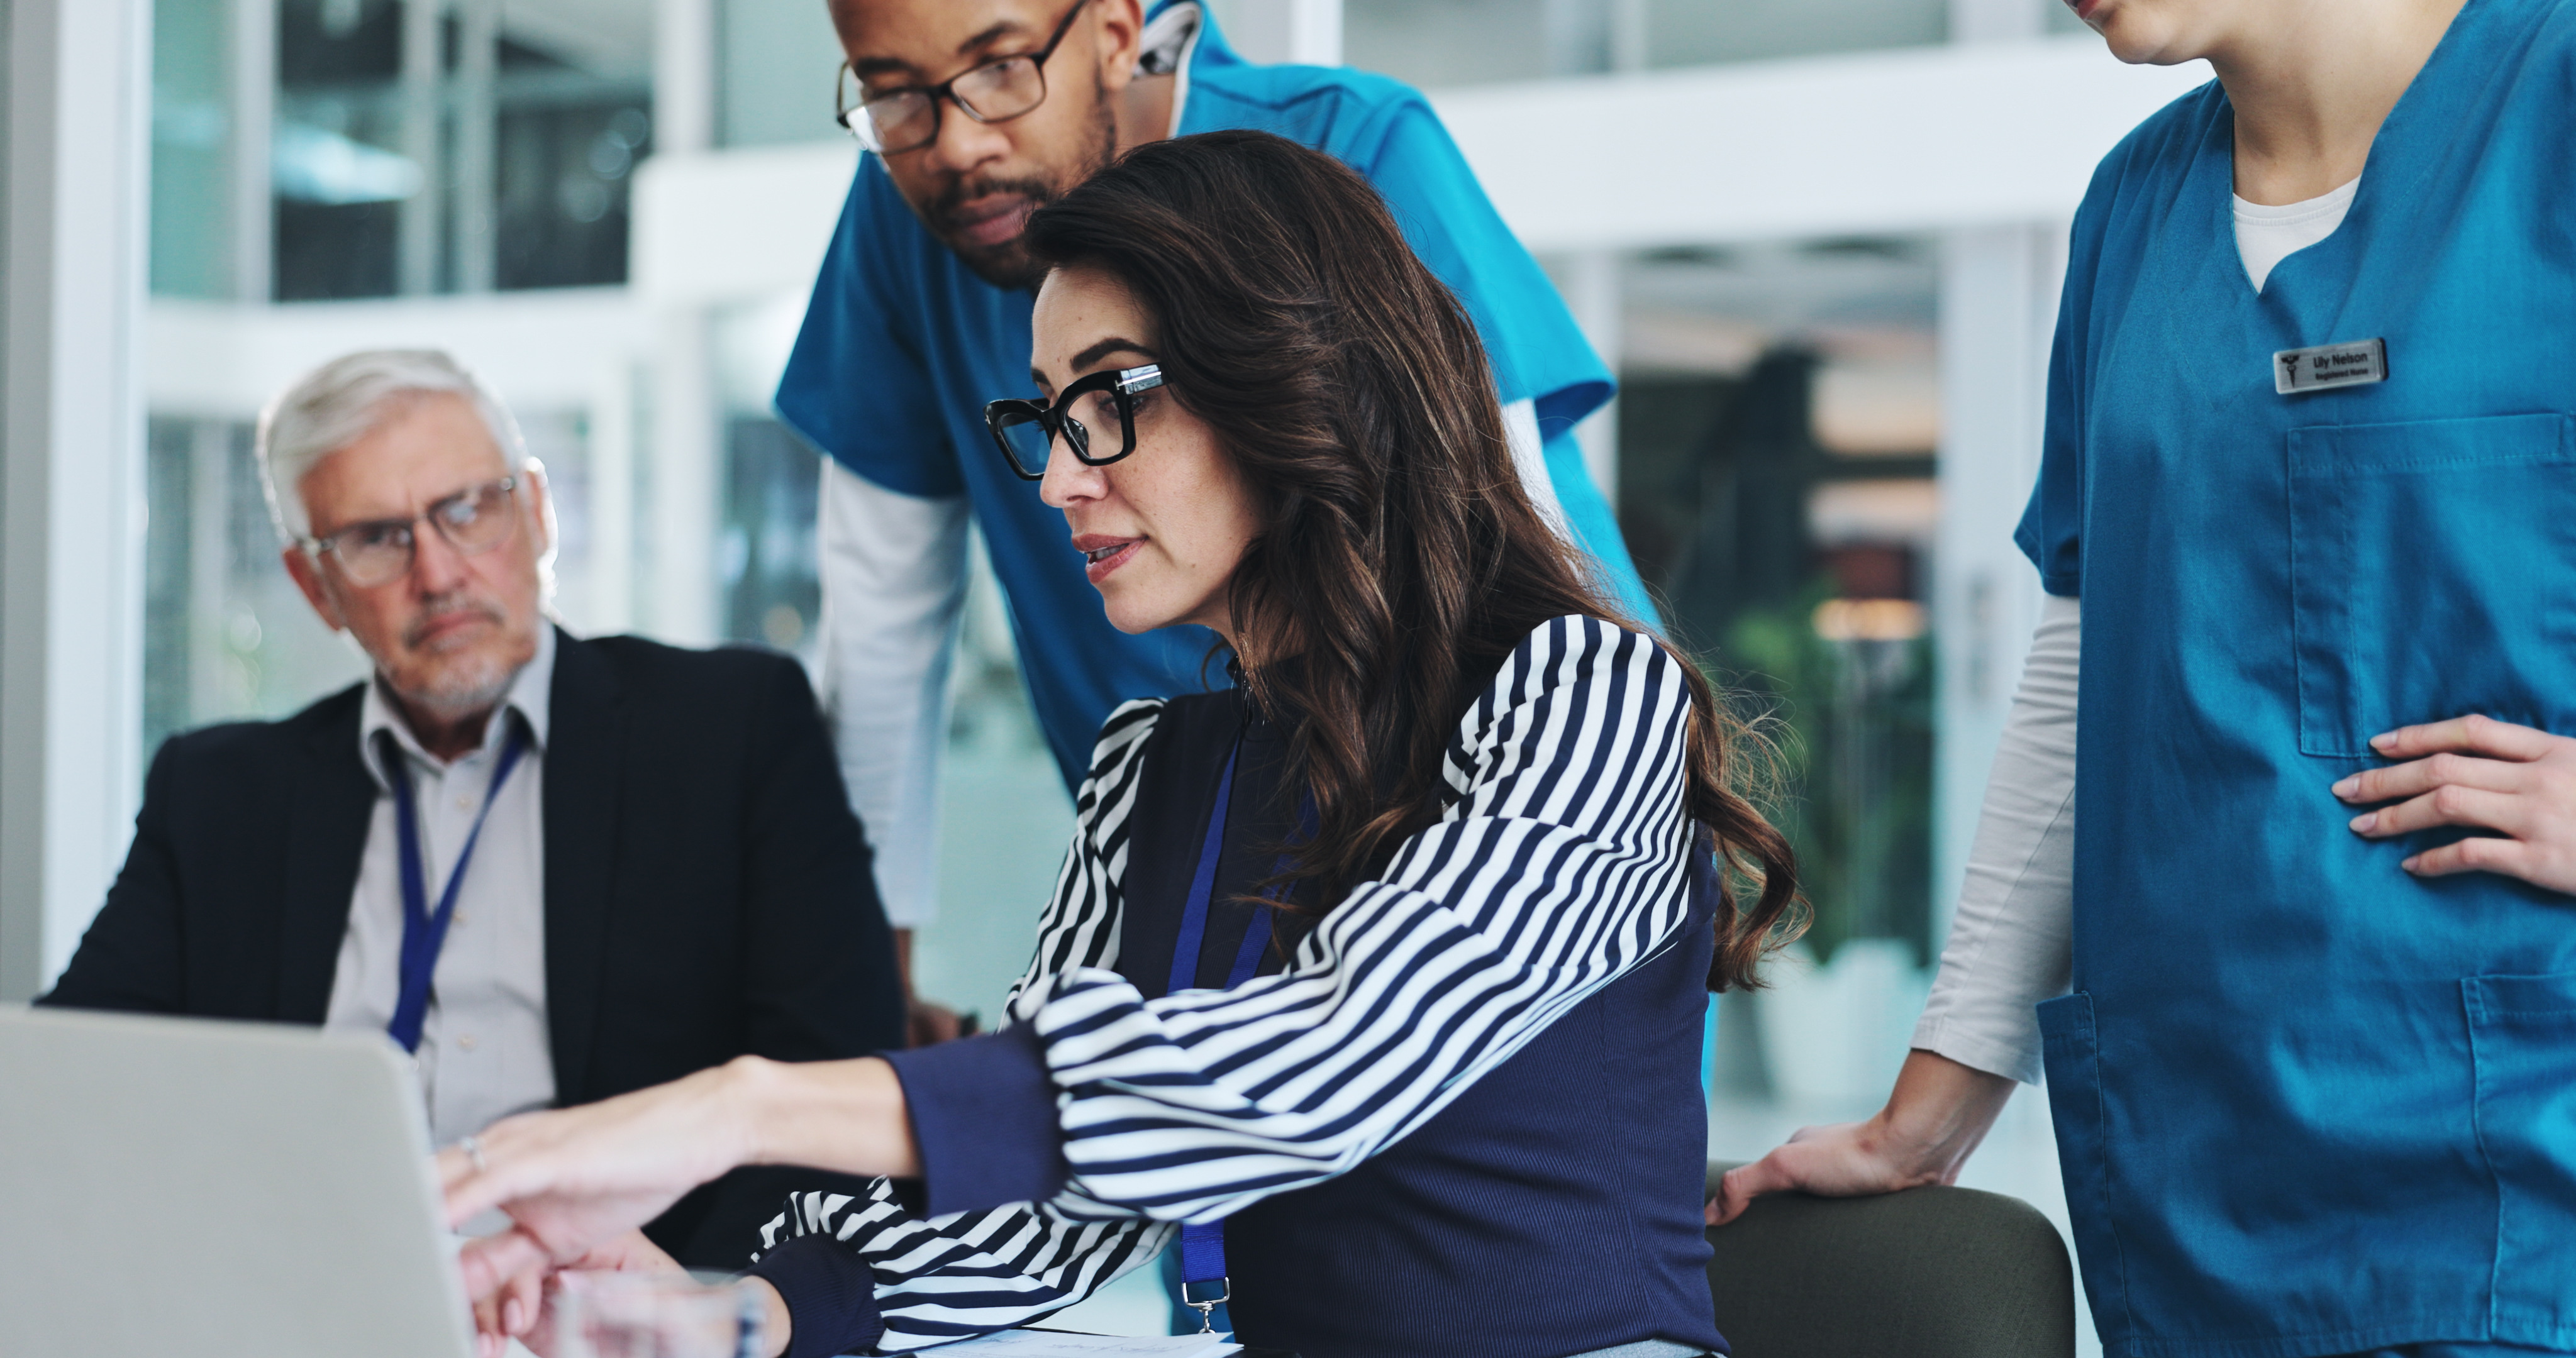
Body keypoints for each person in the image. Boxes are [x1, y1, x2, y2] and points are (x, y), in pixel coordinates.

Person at [441, 131, 1797, 1358]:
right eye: (1044, 414)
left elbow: (1318, 1074)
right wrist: (728, 1313)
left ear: (1289, 372)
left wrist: (740, 1107)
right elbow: (1055, 1205)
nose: (1058, 477)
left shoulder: (1579, 691)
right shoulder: (1154, 765)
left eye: (1108, 401)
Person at [1716, 1, 2576, 1354]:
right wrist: (1921, 1121)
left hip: (2519, 1163)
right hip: (2195, 1172)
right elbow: (2080, 686)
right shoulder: (2131, 208)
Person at [793, 0, 1657, 1042]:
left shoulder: (1353, 146)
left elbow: (1506, 527)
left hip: (1471, 846)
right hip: (1203, 844)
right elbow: (881, 623)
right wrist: (865, 1003)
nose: (960, 142)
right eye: (893, 96)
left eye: (1001, 68)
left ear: (1115, 29)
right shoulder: (1144, 770)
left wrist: (1607, 823)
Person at [39, 350, 906, 1269]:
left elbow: (837, 1096)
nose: (439, 573)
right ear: (315, 587)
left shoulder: (732, 733)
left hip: (607, 1306)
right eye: (377, 537)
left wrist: (700, 1303)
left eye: (467, 510)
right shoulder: (219, 794)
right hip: (300, 1296)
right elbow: (70, 1086)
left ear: (535, 515)